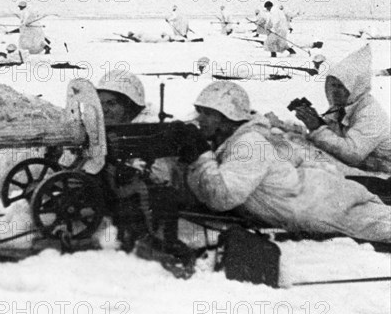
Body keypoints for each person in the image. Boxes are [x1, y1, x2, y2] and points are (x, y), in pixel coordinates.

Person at [183, 81, 390, 243]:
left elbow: (222, 196)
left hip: (319, 206)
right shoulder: (237, 140)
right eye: (200, 111)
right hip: (315, 196)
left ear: (228, 118)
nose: (200, 119)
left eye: (208, 114)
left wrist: (199, 155)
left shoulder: (249, 143)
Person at [94, 70, 193, 261]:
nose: (104, 110)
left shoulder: (149, 131)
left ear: (129, 106)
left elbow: (162, 176)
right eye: (101, 103)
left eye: (111, 104)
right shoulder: (108, 129)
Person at [294, 45, 390, 174]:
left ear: (356, 87)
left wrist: (318, 129)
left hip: (383, 173)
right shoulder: (340, 107)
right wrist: (315, 122)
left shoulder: (370, 113)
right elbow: (334, 138)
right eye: (333, 85)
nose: (335, 91)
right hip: (363, 168)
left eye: (341, 86)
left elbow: (353, 154)